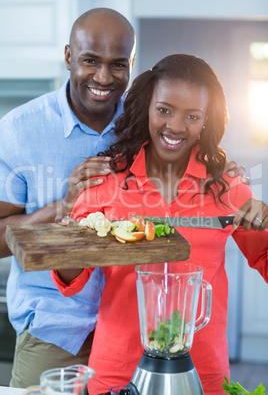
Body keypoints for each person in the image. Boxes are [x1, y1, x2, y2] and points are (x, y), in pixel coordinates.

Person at [51, 54, 268, 395]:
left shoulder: (228, 187)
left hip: (202, 373)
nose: (176, 126)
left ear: (206, 121)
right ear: (146, 108)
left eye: (192, 116)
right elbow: (69, 281)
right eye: (164, 110)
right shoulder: (105, 180)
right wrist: (71, 229)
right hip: (117, 371)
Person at [0, 8, 136, 388]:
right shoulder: (18, 131)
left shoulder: (145, 126)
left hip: (133, 327)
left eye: (118, 64)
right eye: (90, 61)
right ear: (68, 57)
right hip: (54, 329)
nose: (104, 78)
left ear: (131, 64)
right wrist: (62, 206)